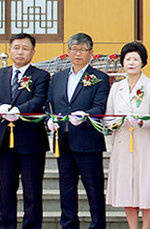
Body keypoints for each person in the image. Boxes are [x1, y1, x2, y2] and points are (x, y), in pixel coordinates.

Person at [47, 32, 110, 229]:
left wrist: (85, 114)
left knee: (94, 188)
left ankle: (97, 225)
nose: (78, 54)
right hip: (63, 141)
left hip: (88, 141)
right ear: (68, 52)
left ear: (91, 52)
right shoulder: (57, 78)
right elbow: (50, 105)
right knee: (66, 189)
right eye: (74, 49)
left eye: (82, 50)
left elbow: (100, 107)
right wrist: (50, 120)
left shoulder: (99, 78)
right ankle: (68, 224)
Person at [105, 42, 150, 229]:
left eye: (135, 59)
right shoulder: (116, 87)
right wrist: (115, 123)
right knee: (127, 187)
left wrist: (141, 121)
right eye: (127, 59)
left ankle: (146, 226)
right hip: (124, 143)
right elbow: (108, 117)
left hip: (146, 142)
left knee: (148, 186)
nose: (131, 63)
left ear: (143, 62)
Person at [0, 33, 50, 229]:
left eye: (25, 48)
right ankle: (6, 226)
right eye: (16, 47)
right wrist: (1, 108)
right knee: (6, 190)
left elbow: (39, 100)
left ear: (33, 52)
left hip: (31, 141)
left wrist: (19, 110)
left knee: (32, 191)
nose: (20, 52)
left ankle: (32, 226)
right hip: (3, 141)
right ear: (9, 50)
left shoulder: (41, 76)